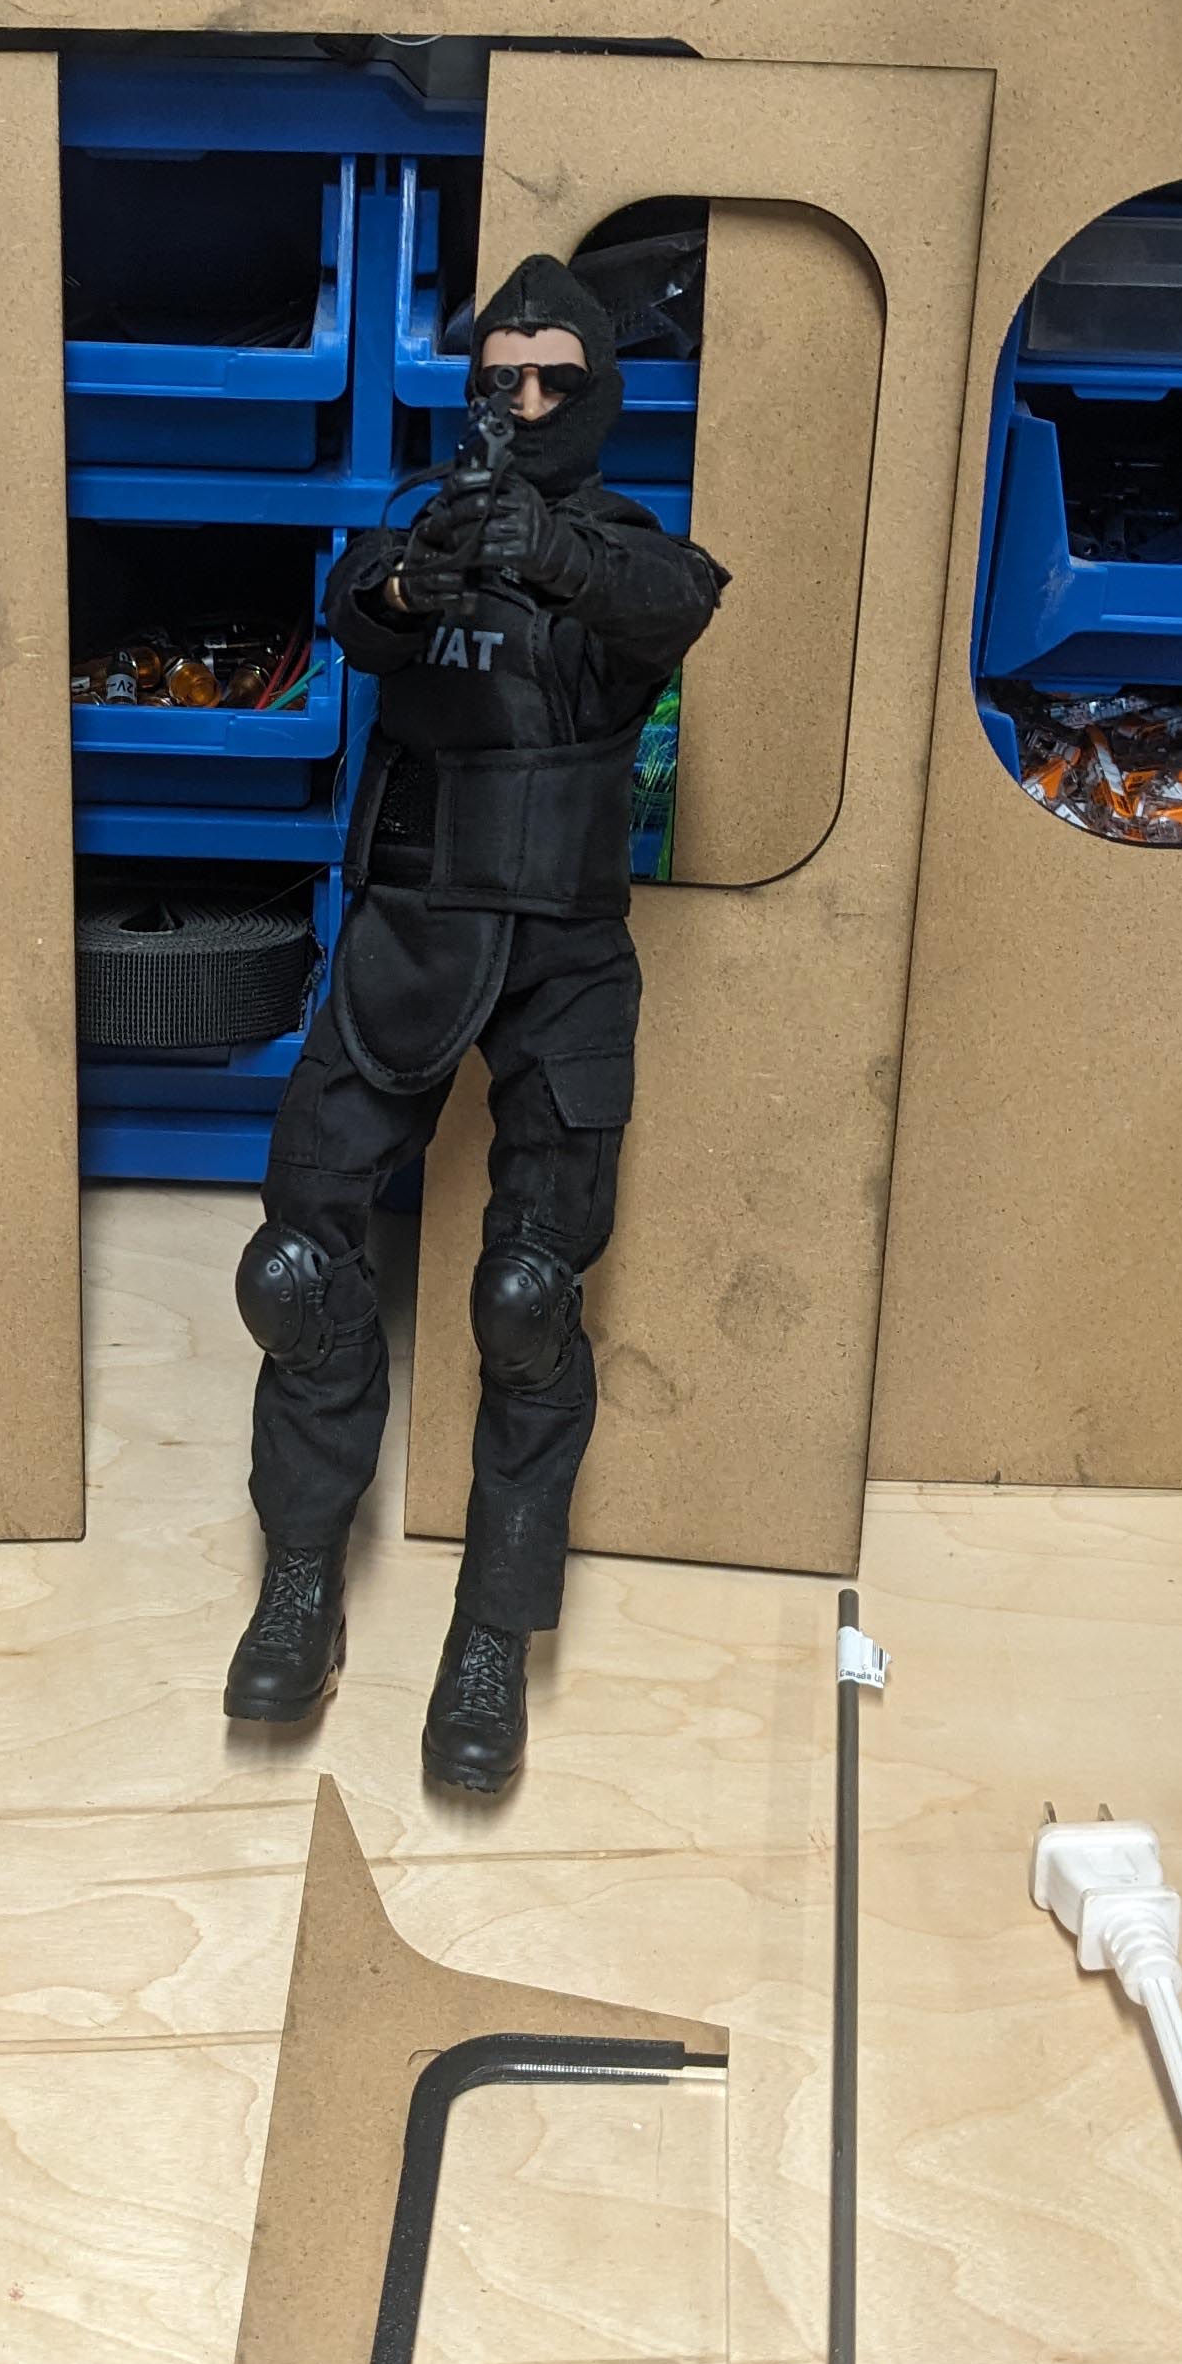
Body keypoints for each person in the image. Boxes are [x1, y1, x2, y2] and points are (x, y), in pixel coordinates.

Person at [223, 251, 728, 1793]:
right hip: (409, 935)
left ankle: (493, 1632)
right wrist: (407, 581)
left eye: (555, 381)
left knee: (525, 1296)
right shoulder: (425, 535)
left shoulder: (627, 554)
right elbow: (355, 607)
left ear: (598, 396)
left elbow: (673, 605)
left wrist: (555, 555)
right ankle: (299, 1579)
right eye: (502, 380)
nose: (526, 402)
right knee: (295, 1270)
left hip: (563, 958)